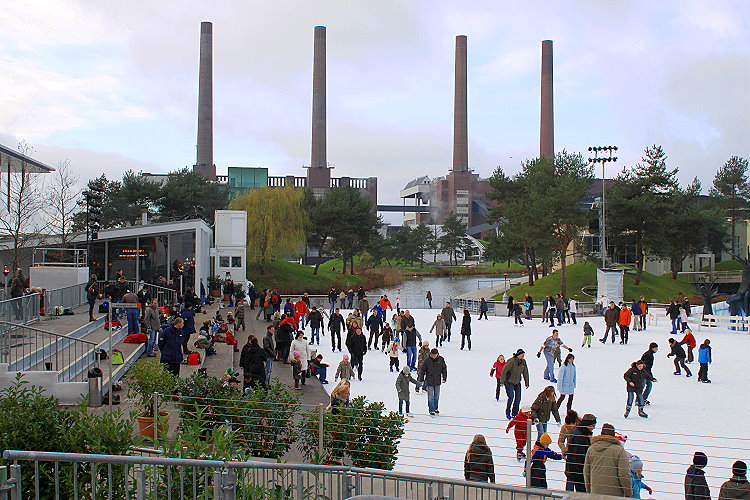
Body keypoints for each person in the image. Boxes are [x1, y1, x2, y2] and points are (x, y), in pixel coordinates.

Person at [583, 423, 632, 497]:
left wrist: (590, 491)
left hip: (596, 493)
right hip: (614, 495)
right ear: (613, 435)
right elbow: (623, 474)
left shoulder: (591, 449)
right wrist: (628, 493)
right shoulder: (619, 450)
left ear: (601, 434)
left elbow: (586, 472)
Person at [565, 413, 597, 492]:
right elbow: (579, 457)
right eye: (592, 426)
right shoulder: (580, 436)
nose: (594, 428)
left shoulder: (580, 432)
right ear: (587, 425)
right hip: (577, 472)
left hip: (572, 470)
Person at [501, 349, 530, 419]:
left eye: (524, 355)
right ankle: (508, 412)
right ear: (518, 355)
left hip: (517, 382)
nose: (523, 357)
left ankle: (515, 412)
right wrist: (502, 381)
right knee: (511, 397)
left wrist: (527, 382)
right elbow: (504, 371)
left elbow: (525, 372)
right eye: (522, 355)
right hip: (509, 381)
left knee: (518, 398)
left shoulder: (523, 362)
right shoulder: (511, 361)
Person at [419, 348, 447, 416]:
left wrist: (444, 377)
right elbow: (422, 370)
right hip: (430, 381)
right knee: (430, 396)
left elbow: (444, 369)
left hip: (437, 381)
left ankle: (436, 408)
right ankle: (431, 410)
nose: (434, 356)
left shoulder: (441, 359)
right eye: (432, 355)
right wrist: (422, 380)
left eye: (435, 355)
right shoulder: (427, 360)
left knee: (436, 396)